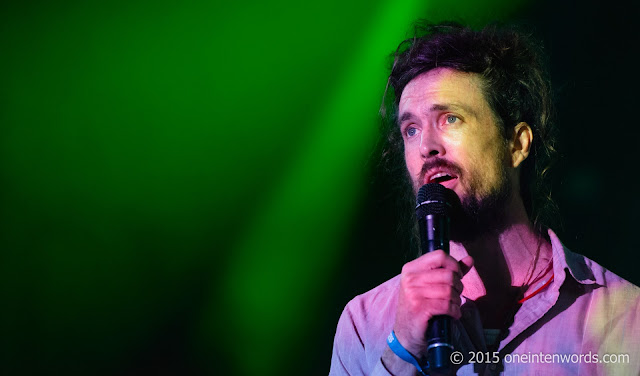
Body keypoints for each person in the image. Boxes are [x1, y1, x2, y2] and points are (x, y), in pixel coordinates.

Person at [329, 22, 640, 375]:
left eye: (450, 119)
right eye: (410, 129)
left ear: (517, 143)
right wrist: (402, 352)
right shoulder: (365, 323)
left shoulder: (623, 316)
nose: (426, 146)